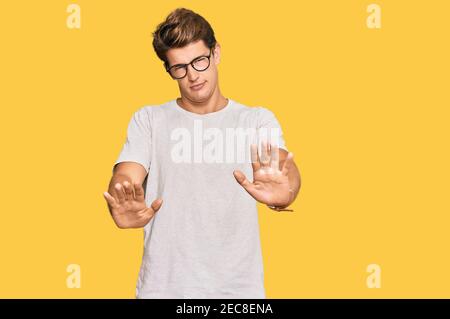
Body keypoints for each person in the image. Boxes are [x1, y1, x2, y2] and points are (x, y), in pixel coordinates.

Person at [103, 7, 301, 299]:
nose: (192, 75)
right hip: (164, 288)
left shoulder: (256, 120)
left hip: (237, 292)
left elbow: (284, 168)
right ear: (168, 70)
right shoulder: (149, 120)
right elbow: (125, 176)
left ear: (216, 53)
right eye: (179, 67)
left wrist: (287, 190)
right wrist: (121, 200)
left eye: (199, 61)